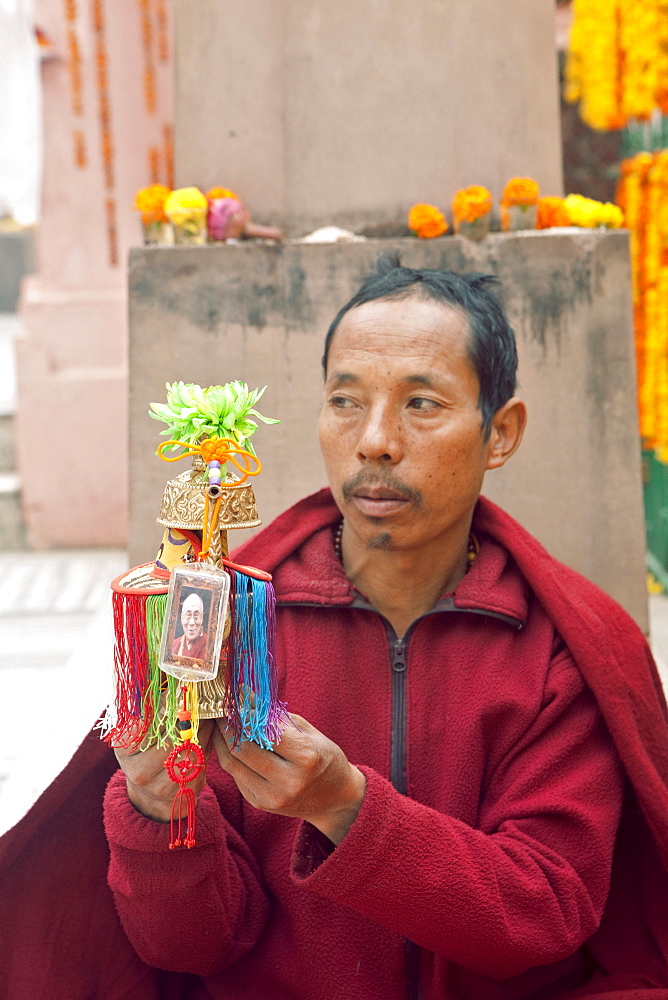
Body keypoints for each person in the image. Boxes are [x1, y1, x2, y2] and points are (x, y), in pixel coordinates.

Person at [1, 256, 667, 1000]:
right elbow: (196, 948)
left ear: (500, 432)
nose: (375, 440)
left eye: (422, 403)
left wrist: (345, 805)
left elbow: (541, 911)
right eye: (346, 401)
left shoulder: (561, 647)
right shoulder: (234, 626)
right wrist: (158, 808)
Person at [171, 590, 207, 659]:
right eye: (188, 615)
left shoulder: (209, 646)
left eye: (196, 615)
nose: (192, 622)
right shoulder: (174, 645)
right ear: (182, 618)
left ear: (201, 618)